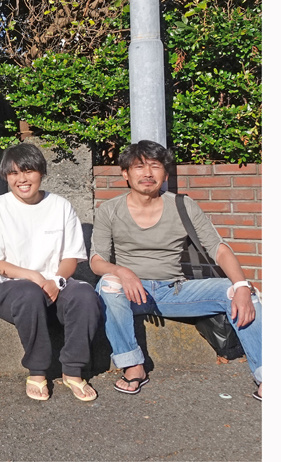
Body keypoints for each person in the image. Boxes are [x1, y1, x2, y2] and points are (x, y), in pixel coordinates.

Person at [91, 140, 263, 400]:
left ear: (166, 174)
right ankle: (132, 365)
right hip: (130, 291)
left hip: (174, 291)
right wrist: (122, 271)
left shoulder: (182, 205)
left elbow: (219, 248)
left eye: (155, 166)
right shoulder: (110, 210)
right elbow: (96, 260)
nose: (147, 173)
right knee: (108, 283)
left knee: (243, 292)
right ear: (125, 173)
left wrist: (240, 285)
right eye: (139, 167)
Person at [0, 143, 101, 401]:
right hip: (9, 288)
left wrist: (55, 281)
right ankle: (38, 370)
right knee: (29, 293)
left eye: (28, 171)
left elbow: (70, 258)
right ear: (6, 177)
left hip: (54, 284)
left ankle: (73, 370)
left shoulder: (61, 206)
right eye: (14, 173)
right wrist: (34, 276)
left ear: (41, 173)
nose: (22, 179)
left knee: (85, 294)